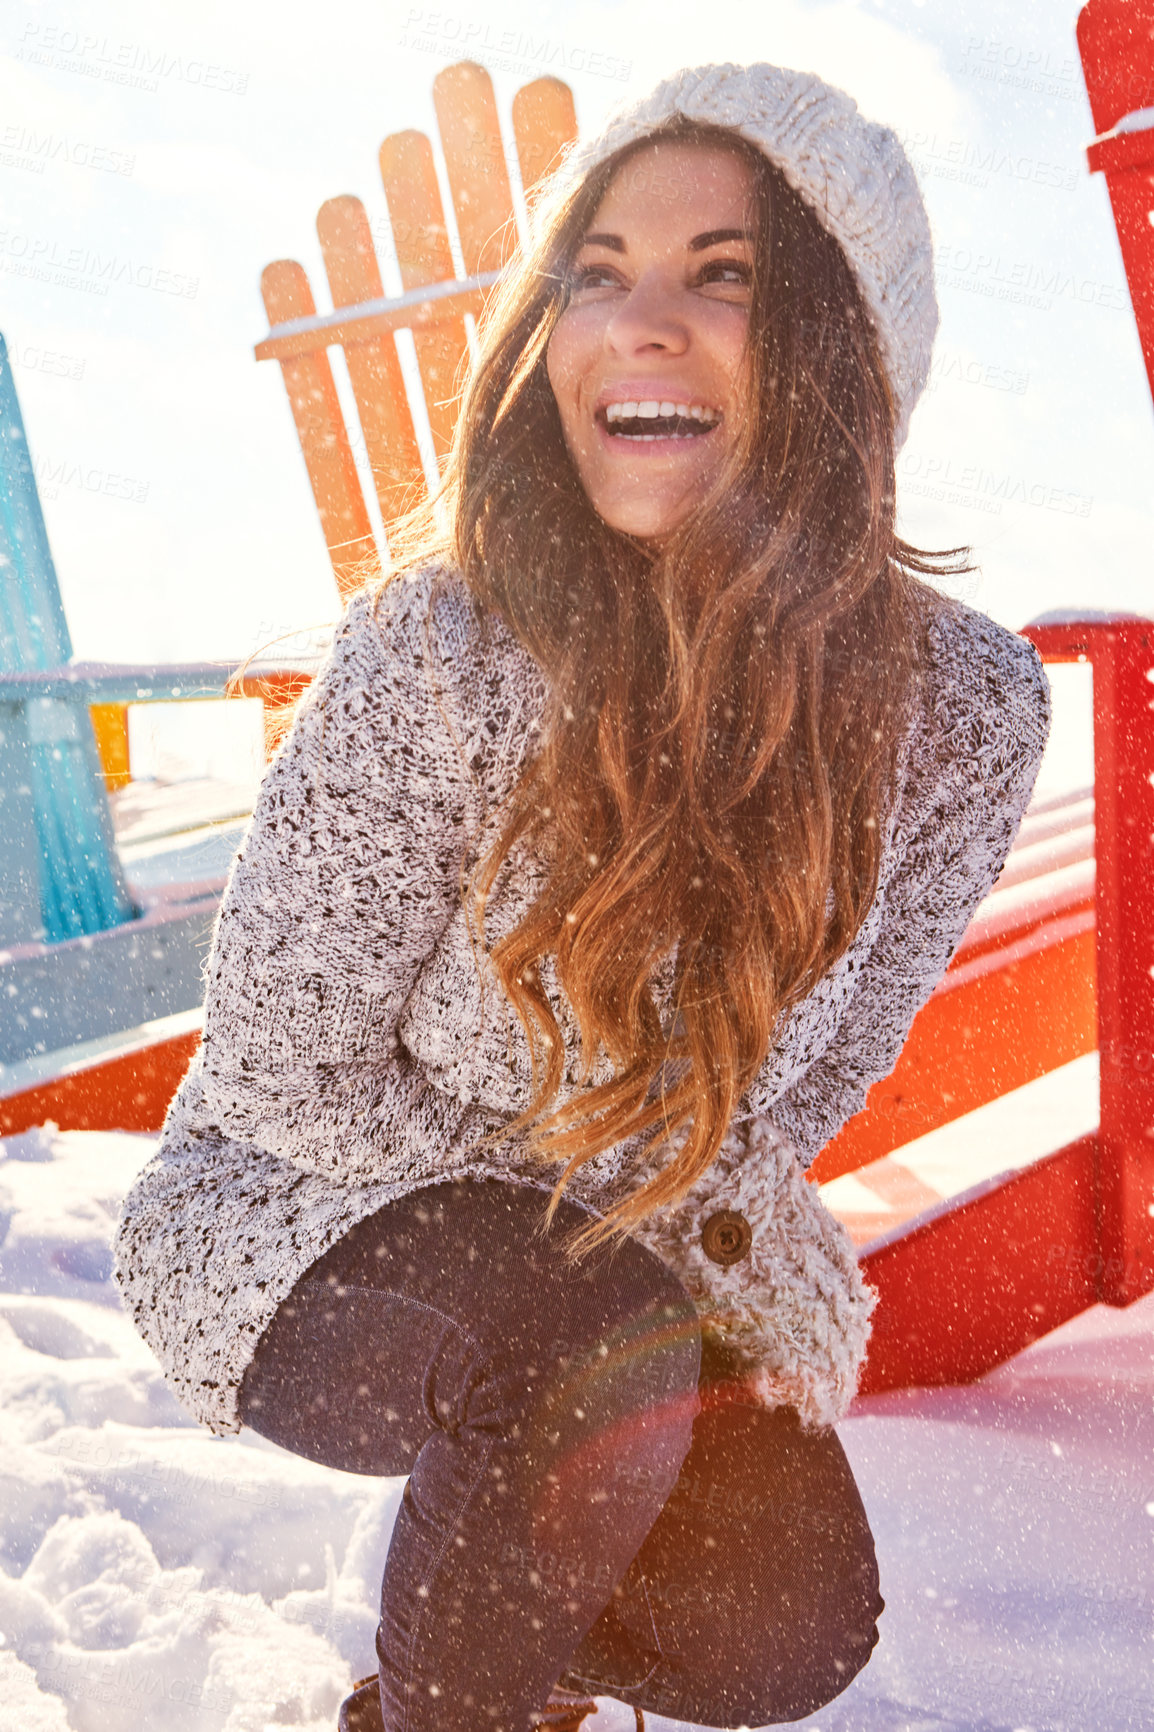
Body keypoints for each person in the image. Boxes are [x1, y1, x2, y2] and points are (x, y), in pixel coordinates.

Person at [113, 60, 1051, 1732]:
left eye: (725, 274)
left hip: (616, 1251)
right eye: (596, 271)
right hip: (300, 1216)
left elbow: (816, 1079)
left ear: (842, 348)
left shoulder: (961, 713)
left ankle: (483, 1631)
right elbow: (280, 1077)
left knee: (785, 1629)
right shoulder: (439, 651)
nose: (640, 323)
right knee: (567, 1329)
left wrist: (680, 1269)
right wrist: (619, 1265)